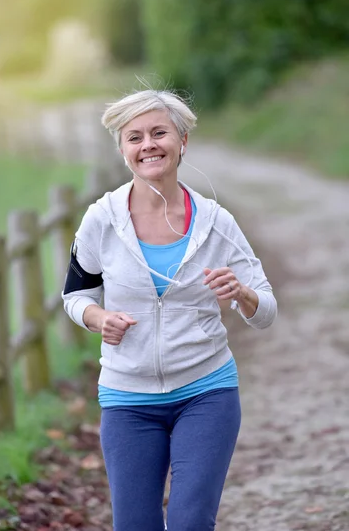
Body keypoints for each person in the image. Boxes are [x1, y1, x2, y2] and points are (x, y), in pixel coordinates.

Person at [62, 89, 277, 531]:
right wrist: (98, 318)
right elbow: (75, 296)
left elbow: (266, 310)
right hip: (127, 399)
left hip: (206, 391)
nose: (148, 145)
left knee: (190, 521)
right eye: (134, 137)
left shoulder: (217, 222)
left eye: (159, 133)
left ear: (182, 141)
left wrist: (241, 293)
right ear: (123, 151)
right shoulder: (101, 220)